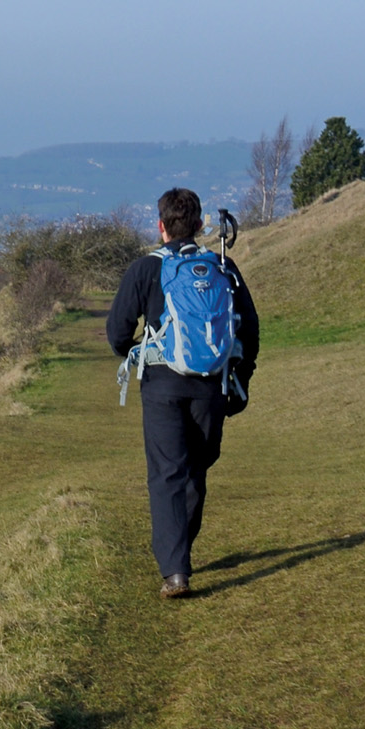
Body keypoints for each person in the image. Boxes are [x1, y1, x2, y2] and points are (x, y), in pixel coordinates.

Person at [107, 186, 260, 597]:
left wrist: (138, 354)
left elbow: (116, 332)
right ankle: (180, 553)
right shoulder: (221, 267)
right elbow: (249, 327)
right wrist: (242, 376)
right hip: (211, 385)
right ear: (197, 225)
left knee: (167, 473)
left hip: (161, 384)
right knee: (196, 467)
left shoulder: (145, 269)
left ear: (161, 227)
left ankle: (175, 570)